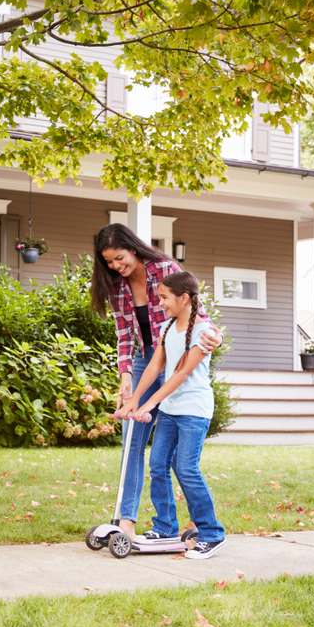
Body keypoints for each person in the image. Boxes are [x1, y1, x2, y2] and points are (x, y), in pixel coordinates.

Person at [90, 223, 221, 540]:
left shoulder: (164, 269)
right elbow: (124, 335)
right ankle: (127, 521)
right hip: (145, 360)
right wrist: (126, 376)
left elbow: (194, 312)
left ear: (132, 248)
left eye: (120, 258)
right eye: (108, 261)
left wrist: (213, 334)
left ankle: (198, 527)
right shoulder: (116, 286)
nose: (116, 266)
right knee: (133, 442)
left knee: (175, 460)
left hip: (175, 355)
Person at [120, 271, 227, 559]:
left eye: (165, 298)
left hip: (194, 410)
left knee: (186, 468)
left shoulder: (204, 332)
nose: (160, 302)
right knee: (157, 465)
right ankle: (165, 526)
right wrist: (134, 401)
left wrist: (148, 404)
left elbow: (182, 373)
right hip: (170, 410)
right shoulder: (167, 328)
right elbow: (155, 367)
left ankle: (212, 533)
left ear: (183, 298)